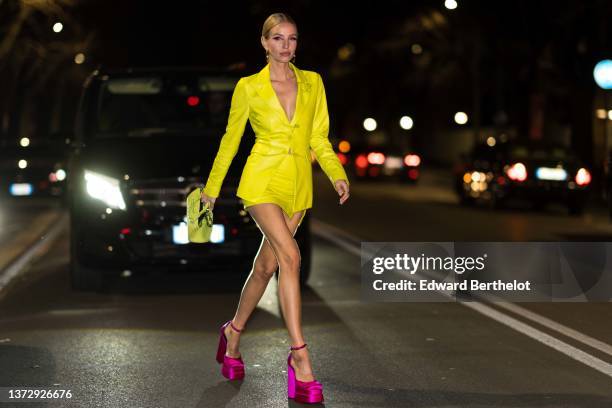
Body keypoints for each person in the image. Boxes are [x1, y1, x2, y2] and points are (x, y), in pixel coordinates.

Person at [200, 12, 350, 403]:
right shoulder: (248, 87)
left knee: (266, 266)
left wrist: (336, 173)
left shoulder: (312, 82)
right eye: (278, 38)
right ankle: (300, 358)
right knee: (291, 256)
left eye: (292, 39)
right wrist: (212, 189)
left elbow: (319, 135)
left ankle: (233, 333)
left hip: (297, 185)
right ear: (265, 43)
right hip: (262, 180)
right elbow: (231, 140)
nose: (286, 46)